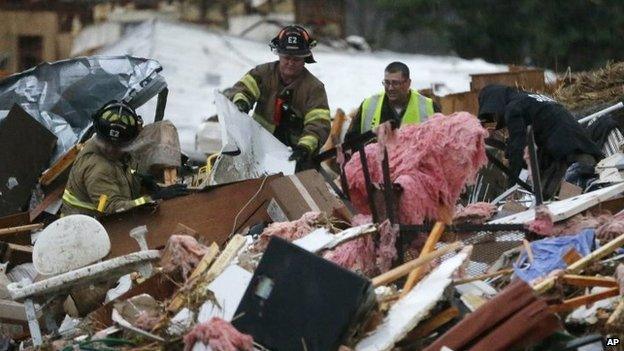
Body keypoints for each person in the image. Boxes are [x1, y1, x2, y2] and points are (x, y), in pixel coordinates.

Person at [227, 25, 330, 170]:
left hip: (295, 159)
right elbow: (243, 89)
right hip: (259, 149)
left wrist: (305, 148)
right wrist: (241, 102)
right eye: (287, 57)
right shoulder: (263, 73)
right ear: (279, 55)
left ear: (305, 58)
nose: (290, 62)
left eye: (296, 58)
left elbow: (319, 123)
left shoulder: (314, 88)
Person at [61, 100, 188, 217]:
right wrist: (153, 198)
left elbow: (121, 171)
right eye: (107, 143)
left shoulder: (109, 149)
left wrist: (141, 180)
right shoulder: (98, 168)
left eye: (118, 145)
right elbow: (112, 209)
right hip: (88, 228)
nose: (110, 149)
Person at [478, 84, 603, 198]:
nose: (494, 118)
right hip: (585, 152)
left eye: (493, 114)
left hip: (568, 159)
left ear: (494, 103)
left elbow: (518, 149)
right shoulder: (530, 99)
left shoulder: (513, 108)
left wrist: (511, 187)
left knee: (549, 201)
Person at [345, 61, 438, 142]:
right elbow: (350, 142)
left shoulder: (429, 106)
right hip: (375, 160)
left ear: (408, 83)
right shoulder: (369, 105)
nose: (390, 88)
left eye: (395, 83)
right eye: (387, 83)